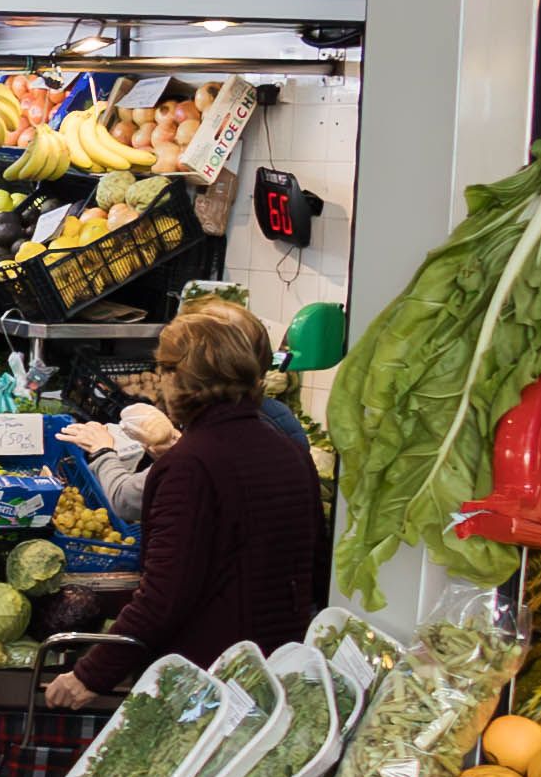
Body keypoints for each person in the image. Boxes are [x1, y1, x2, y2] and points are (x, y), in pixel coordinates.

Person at [43, 301, 328, 712]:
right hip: (276, 670)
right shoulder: (287, 450)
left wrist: (91, 674)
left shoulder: (190, 465)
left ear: (182, 379)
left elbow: (165, 595)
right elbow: (316, 565)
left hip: (208, 680)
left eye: (165, 371)